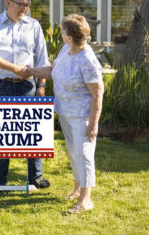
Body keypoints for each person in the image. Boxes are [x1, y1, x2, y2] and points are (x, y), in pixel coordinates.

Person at [25, 14, 104, 213]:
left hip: (82, 117)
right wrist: (30, 71)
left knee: (84, 155)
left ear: (69, 36)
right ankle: (78, 188)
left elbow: (97, 93)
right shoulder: (65, 50)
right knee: (73, 153)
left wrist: (93, 124)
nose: (60, 34)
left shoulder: (87, 60)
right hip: (65, 113)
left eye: (62, 31)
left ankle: (86, 200)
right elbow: (53, 71)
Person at [0, 0, 50, 189]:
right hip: (1, 85)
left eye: (27, 5)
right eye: (21, 4)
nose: (25, 9)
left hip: (27, 86)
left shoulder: (34, 25)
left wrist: (42, 85)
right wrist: (15, 69)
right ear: (8, 3)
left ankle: (36, 176)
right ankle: (0, 179)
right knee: (1, 134)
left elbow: (42, 57)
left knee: (32, 132)